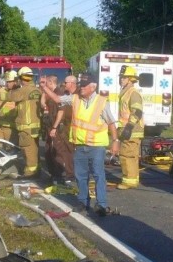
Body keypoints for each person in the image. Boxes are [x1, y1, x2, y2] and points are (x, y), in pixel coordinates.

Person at [40, 73, 119, 216]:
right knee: (80, 175)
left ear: (93, 87)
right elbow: (57, 99)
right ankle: (83, 202)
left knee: (98, 175)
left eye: (84, 86)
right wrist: (44, 87)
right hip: (80, 146)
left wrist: (115, 141)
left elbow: (112, 124)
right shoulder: (75, 98)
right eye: (81, 85)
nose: (81, 88)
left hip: (96, 147)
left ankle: (101, 204)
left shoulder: (101, 102)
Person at [0, 67, 41, 178]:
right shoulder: (37, 90)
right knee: (34, 148)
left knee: (28, 149)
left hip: (26, 126)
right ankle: (36, 169)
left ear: (21, 78)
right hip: (35, 126)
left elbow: (9, 96)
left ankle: (30, 172)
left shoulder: (23, 90)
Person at [116, 65, 144, 189]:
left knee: (127, 155)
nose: (121, 79)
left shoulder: (133, 93)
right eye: (121, 77)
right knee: (129, 155)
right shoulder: (125, 92)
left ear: (131, 79)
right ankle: (132, 178)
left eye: (124, 77)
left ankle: (129, 181)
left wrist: (129, 127)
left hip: (132, 130)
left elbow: (137, 111)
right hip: (127, 129)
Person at [48, 75, 77, 184]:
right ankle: (67, 174)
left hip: (72, 126)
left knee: (69, 151)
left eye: (66, 82)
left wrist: (55, 127)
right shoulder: (67, 95)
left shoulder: (76, 96)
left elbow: (62, 110)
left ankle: (71, 174)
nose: (64, 84)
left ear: (72, 83)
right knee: (63, 150)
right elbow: (59, 104)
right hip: (65, 126)